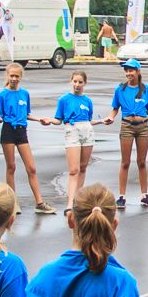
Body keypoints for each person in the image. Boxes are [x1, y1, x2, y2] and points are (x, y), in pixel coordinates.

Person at [0, 62, 54, 214]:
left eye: (17, 76)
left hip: (21, 131)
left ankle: (39, 202)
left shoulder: (24, 94)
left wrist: (40, 120)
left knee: (31, 168)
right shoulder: (2, 95)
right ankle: (12, 202)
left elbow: (27, 113)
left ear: (21, 77)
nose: (14, 79)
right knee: (11, 166)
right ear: (7, 76)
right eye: (11, 76)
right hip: (8, 131)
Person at [105, 58, 148, 209]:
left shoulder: (146, 89)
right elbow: (115, 107)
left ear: (138, 71)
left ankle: (144, 195)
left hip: (142, 127)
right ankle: (122, 196)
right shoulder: (120, 89)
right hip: (127, 126)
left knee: (142, 162)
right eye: (127, 70)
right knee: (125, 162)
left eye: (131, 70)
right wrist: (111, 116)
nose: (128, 73)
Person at [50, 70, 96, 209]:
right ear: (71, 81)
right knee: (73, 170)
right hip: (72, 132)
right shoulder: (64, 100)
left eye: (80, 82)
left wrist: (102, 121)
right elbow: (58, 119)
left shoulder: (88, 101)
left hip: (87, 132)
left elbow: (89, 120)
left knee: (83, 167)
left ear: (85, 83)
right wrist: (49, 121)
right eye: (75, 81)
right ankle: (70, 203)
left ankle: (78, 199)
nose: (77, 85)